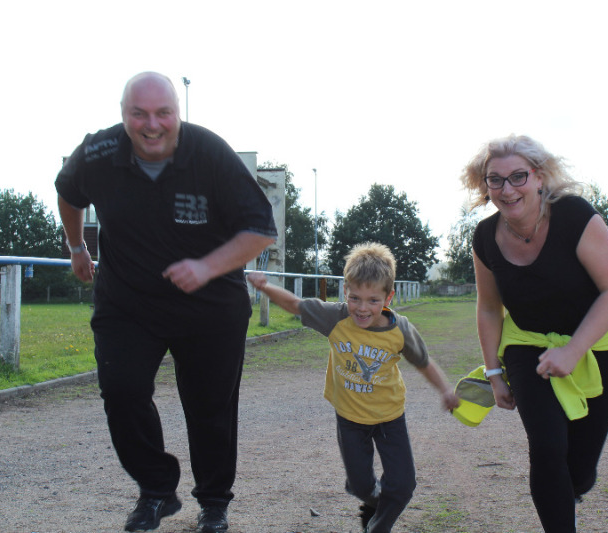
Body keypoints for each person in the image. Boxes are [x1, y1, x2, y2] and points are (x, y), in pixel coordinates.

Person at [55, 72, 277, 533]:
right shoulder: (97, 152)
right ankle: (157, 490)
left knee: (209, 407)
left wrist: (207, 267)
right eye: (139, 114)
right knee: (122, 390)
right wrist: (76, 246)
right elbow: (68, 191)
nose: (151, 125)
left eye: (163, 113)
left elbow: (260, 230)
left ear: (178, 113)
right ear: (123, 116)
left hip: (209, 305)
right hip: (128, 302)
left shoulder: (210, 154)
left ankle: (214, 504)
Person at [461, 134, 608, 532]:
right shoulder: (484, 236)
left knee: (577, 470)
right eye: (495, 180)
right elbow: (490, 307)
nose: (507, 190)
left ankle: (572, 486)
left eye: (518, 177)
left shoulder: (575, 216)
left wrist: (574, 350)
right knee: (546, 450)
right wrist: (494, 374)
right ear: (485, 185)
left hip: (603, 342)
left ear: (540, 177)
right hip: (528, 345)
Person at [246, 243, 459, 533]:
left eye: (373, 300)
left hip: (389, 417)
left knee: (403, 485)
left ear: (388, 297)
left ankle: (376, 528)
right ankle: (371, 504)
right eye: (355, 298)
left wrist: (445, 390)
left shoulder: (400, 329)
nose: (362, 308)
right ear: (344, 290)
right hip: (349, 418)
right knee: (361, 486)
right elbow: (295, 304)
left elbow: (423, 362)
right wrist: (265, 286)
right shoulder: (335, 318)